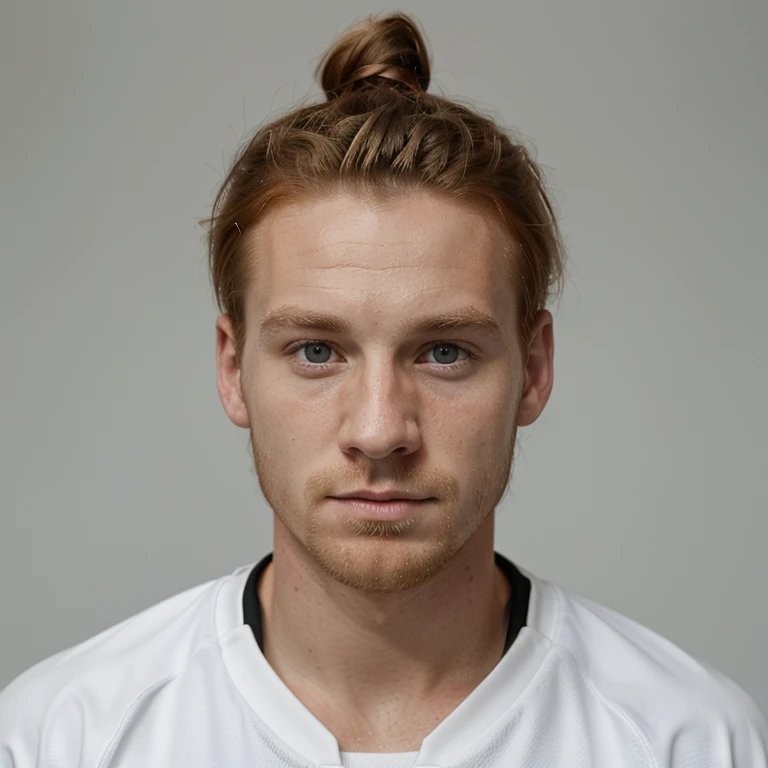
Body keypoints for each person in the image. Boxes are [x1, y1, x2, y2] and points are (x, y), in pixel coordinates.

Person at [1, 11, 766, 768]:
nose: (378, 430)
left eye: (442, 352)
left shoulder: (689, 740)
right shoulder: (61, 737)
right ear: (233, 371)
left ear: (534, 370)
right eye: (315, 351)